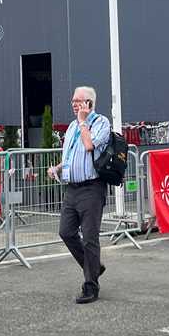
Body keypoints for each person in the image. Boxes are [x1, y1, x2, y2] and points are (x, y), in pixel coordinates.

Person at [46, 86, 111, 304]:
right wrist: (58, 167)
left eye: (79, 101)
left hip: (92, 188)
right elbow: (73, 155)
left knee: (90, 237)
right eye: (73, 100)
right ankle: (94, 267)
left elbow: (89, 145)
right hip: (72, 188)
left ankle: (90, 286)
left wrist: (84, 121)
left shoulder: (101, 123)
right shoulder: (72, 126)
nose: (74, 104)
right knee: (66, 232)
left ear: (90, 103)